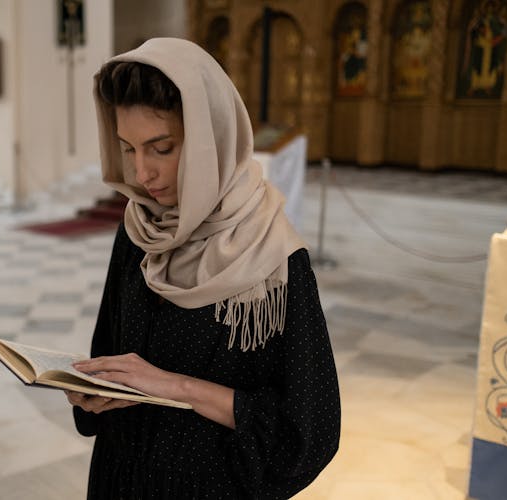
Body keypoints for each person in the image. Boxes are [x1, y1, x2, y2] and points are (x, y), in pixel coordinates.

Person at [65, 38, 340, 499]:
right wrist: (92, 389)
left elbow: (307, 433)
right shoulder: (138, 232)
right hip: (120, 478)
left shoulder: (275, 259)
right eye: (127, 148)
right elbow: (112, 355)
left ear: (211, 139)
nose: (141, 173)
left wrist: (175, 387)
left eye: (162, 148)